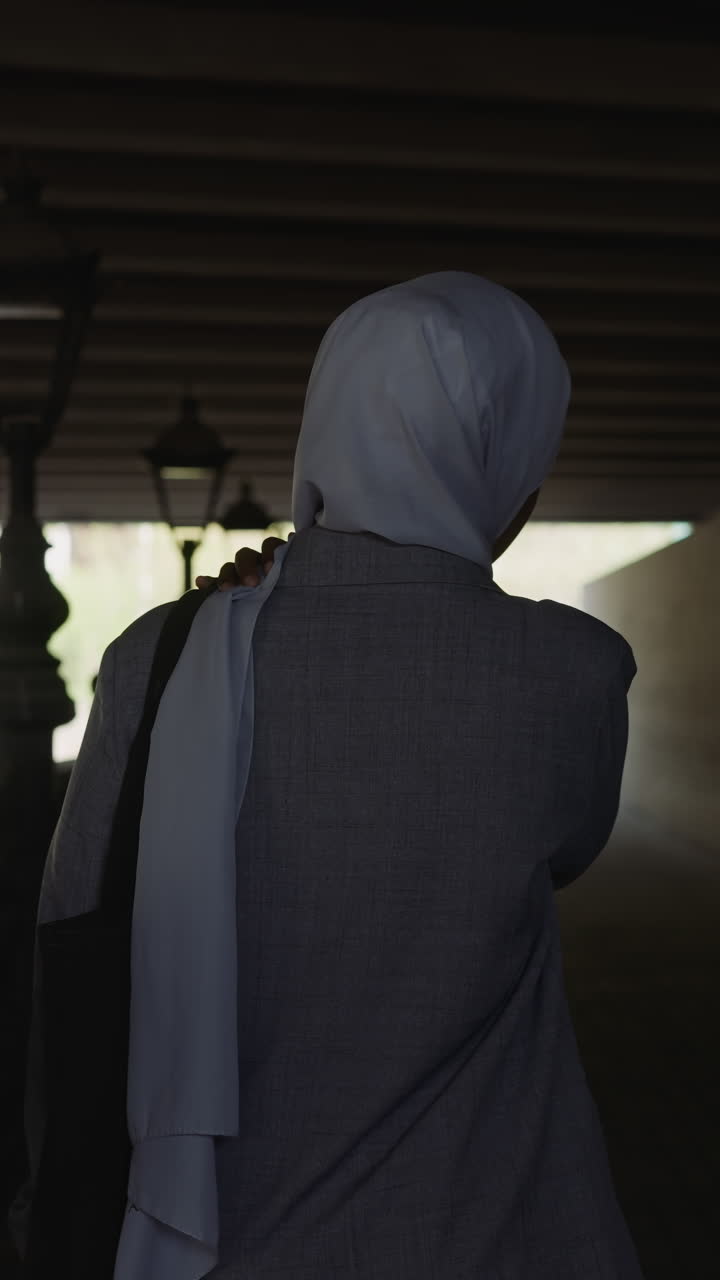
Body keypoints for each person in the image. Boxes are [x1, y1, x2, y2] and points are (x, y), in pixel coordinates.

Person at [23, 273, 643, 1279]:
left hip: (215, 1244)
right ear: (509, 458)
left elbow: (75, 937)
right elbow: (567, 848)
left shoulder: (164, 660)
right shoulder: (574, 671)